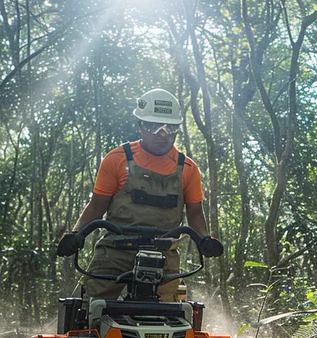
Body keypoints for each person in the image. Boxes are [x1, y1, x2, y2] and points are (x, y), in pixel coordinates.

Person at [57, 88, 222, 300]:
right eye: (153, 126)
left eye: (168, 127)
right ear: (141, 126)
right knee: (93, 305)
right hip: (115, 251)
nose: (161, 134)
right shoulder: (117, 159)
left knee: (170, 313)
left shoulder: (188, 168)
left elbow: (195, 212)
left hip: (164, 253)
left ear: (177, 129)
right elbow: (97, 205)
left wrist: (204, 240)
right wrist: (76, 233)